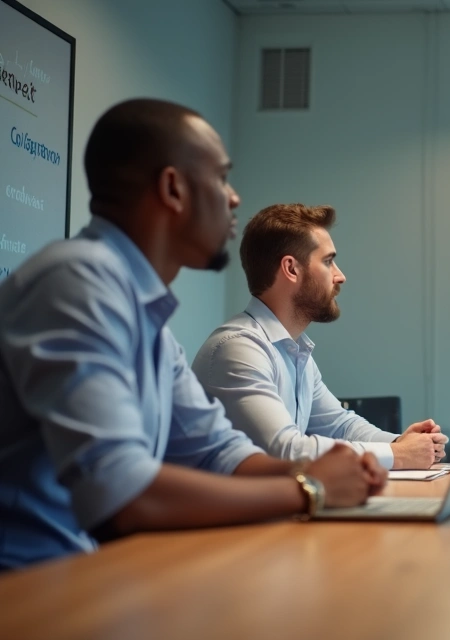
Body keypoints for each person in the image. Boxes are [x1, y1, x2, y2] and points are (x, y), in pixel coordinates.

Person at [0, 99, 384, 570]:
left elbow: (217, 451)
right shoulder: (75, 282)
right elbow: (122, 494)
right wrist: (309, 489)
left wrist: (318, 470)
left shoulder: (145, 316)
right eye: (221, 178)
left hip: (82, 576)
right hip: (28, 590)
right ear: (173, 188)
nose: (234, 198)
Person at [193, 203, 447, 470]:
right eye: (328, 261)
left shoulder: (293, 350)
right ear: (291, 269)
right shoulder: (238, 348)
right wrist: (399, 455)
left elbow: (340, 425)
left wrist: (400, 444)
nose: (340, 276)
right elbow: (285, 450)